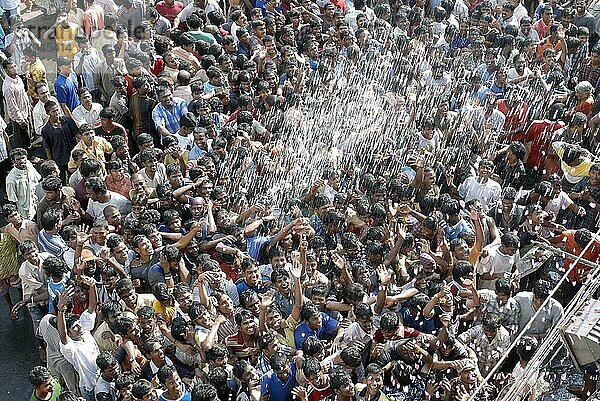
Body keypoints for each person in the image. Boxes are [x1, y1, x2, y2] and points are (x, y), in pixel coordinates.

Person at [2, 58, 32, 149]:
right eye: (11, 67)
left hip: (26, 111)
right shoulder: (8, 87)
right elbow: (12, 107)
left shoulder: (18, 78)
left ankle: (30, 147)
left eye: (15, 66)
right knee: (23, 139)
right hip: (19, 117)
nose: (14, 68)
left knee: (29, 134)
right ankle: (29, 156)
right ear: (6, 70)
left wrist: (29, 105)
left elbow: (23, 94)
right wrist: (21, 121)